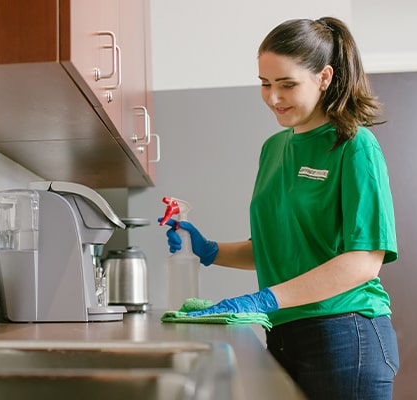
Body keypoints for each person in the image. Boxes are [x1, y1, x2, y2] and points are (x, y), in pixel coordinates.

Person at [161, 17, 399, 400]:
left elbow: (363, 261)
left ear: (324, 77)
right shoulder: (273, 149)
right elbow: (281, 249)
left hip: (346, 334)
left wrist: (263, 299)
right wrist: (210, 250)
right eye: (265, 84)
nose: (273, 97)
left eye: (287, 85)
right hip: (283, 334)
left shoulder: (355, 146)